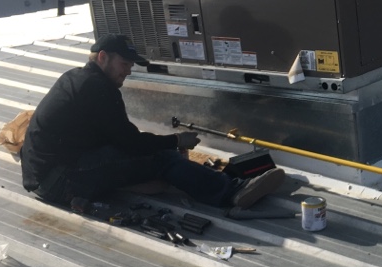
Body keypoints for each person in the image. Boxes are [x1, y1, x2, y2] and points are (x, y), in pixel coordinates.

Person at [20, 34, 285, 211]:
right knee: (161, 158)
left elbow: (114, 137)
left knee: (149, 157)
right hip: (59, 180)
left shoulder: (77, 78)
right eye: (124, 64)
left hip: (47, 175)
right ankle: (231, 192)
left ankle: (133, 181)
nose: (128, 71)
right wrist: (176, 140)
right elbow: (131, 143)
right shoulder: (98, 88)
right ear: (103, 57)